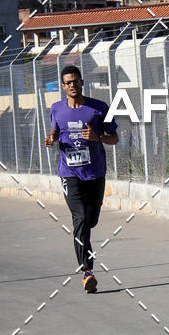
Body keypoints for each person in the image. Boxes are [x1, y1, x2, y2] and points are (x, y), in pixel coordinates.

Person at [45, 65, 119, 293]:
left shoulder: (98, 108)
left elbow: (114, 138)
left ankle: (86, 265)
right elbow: (55, 132)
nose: (72, 85)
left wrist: (97, 137)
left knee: (91, 219)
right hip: (70, 174)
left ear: (82, 82)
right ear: (63, 86)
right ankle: (87, 271)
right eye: (68, 82)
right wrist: (51, 138)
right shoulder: (57, 109)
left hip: (95, 173)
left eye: (76, 81)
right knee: (80, 220)